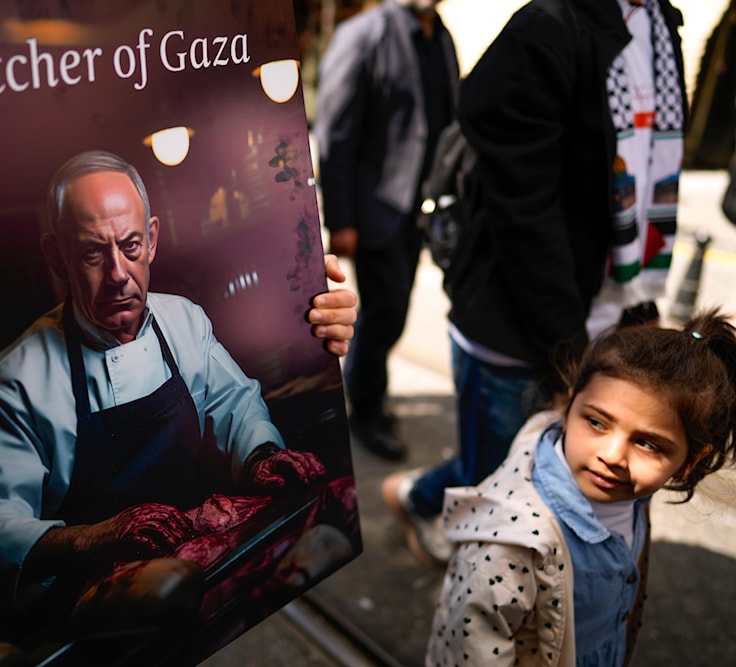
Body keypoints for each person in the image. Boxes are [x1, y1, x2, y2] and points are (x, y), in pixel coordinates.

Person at [0, 150, 357, 607]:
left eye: (130, 246)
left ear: (152, 240)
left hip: (203, 564)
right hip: (99, 604)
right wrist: (95, 539)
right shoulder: (15, 382)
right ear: (57, 258)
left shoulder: (184, 321)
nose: (118, 275)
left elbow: (233, 405)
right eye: (93, 253)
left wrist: (262, 455)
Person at [384, 0, 687, 565]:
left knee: (540, 468)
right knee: (496, 478)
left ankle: (417, 496)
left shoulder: (661, 24)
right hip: (519, 321)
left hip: (604, 309)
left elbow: (646, 176)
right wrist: (568, 352)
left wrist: (637, 302)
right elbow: (522, 206)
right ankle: (428, 511)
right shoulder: (551, 24)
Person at [423, 309, 736, 666]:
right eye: (597, 422)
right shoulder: (511, 550)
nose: (613, 456)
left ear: (690, 462)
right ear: (569, 405)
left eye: (648, 444)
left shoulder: (631, 497)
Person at [312, 0, 459, 461]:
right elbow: (334, 132)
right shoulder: (364, 34)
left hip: (421, 210)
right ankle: (364, 408)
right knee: (383, 314)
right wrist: (341, 220)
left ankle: (366, 395)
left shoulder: (442, 36)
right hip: (376, 210)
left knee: (391, 313)